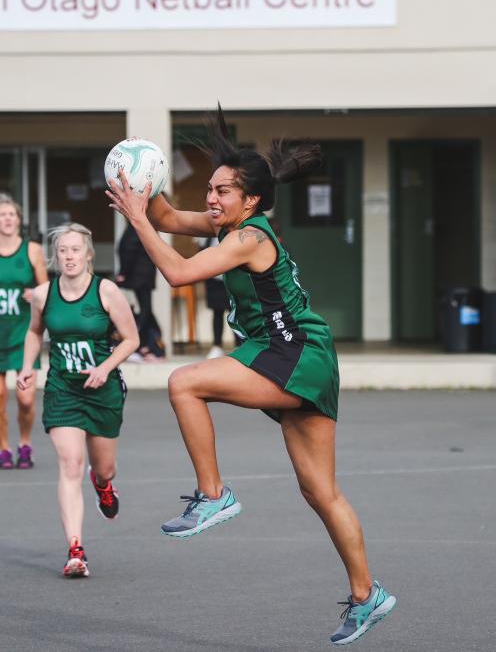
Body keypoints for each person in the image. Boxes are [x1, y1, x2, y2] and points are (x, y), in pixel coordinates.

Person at [106, 107, 396, 645]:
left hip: (294, 351)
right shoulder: (227, 227)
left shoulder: (249, 237)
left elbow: (177, 272)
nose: (211, 199)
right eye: (210, 189)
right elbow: (169, 218)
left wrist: (137, 217)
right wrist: (148, 179)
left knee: (183, 382)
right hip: (294, 352)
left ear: (252, 200)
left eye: (221, 191)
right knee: (319, 491)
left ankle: (214, 494)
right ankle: (367, 596)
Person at [17, 223, 139, 578]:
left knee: (104, 467)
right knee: (70, 464)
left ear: (88, 255)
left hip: (102, 390)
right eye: (63, 251)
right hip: (63, 389)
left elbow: (131, 339)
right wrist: (28, 366)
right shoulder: (43, 294)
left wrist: (105, 367)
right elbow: (35, 331)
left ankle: (102, 484)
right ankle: (75, 549)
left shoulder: (106, 291)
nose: (69, 257)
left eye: (75, 250)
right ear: (56, 257)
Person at [0, 194, 48, 470]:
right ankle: (4, 447)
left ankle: (25, 443)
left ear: (18, 219)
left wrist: (35, 293)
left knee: (25, 398)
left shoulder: (31, 250)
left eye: (11, 214)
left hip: (22, 333)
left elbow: (46, 289)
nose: (7, 219)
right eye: (2, 215)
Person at [116, 222, 165, 361]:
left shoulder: (137, 226)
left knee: (145, 311)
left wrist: (123, 272)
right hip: (143, 275)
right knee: (146, 310)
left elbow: (127, 249)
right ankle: (146, 346)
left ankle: (140, 345)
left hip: (139, 275)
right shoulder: (144, 226)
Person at [196, 235, 232, 359]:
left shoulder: (234, 233)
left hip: (232, 278)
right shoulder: (208, 236)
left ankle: (240, 345)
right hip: (214, 278)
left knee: (236, 313)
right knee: (217, 312)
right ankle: (217, 346)